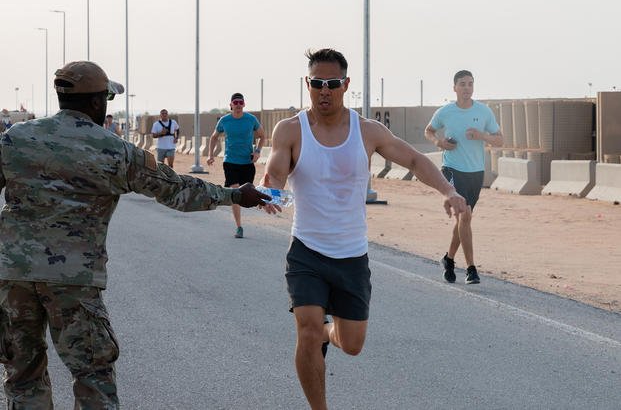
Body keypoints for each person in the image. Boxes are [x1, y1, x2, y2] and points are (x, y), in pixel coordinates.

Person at [0, 60, 269, 409]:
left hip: (12, 277)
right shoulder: (113, 150)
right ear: (98, 103)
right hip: (74, 280)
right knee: (93, 377)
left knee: (22, 377)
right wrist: (234, 194)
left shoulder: (16, 139)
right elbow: (177, 190)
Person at [261, 48, 467, 410]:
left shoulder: (367, 131)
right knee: (306, 331)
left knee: (352, 344)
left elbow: (416, 159)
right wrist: (272, 190)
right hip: (307, 250)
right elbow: (276, 170)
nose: (324, 91)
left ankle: (329, 333)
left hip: (352, 255)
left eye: (332, 83)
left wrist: (448, 190)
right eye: (317, 84)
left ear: (346, 85)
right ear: (308, 85)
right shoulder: (290, 129)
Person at [424, 70, 503, 285]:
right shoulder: (446, 112)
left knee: (463, 220)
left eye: (470, 84)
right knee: (465, 215)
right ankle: (471, 269)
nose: (467, 88)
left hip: (475, 173)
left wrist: (482, 136)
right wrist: (439, 143)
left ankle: (448, 259)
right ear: (454, 88)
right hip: (452, 169)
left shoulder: (484, 112)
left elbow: (500, 140)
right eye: (462, 84)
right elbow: (429, 131)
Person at [207, 93, 266, 238]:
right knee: (236, 194)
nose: (238, 105)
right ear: (231, 105)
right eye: (235, 102)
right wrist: (211, 155)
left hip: (247, 162)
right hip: (230, 162)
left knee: (247, 194)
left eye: (241, 102)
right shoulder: (224, 120)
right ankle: (239, 226)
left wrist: (257, 151)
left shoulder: (251, 119)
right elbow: (214, 137)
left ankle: (259, 200)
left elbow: (262, 136)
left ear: (244, 104)